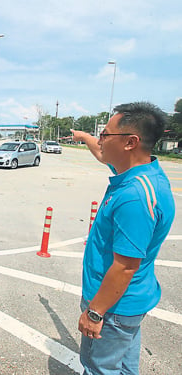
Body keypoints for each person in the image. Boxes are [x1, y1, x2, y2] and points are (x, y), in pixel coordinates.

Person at [71, 102, 175, 375]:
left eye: (105, 135)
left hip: (113, 307)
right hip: (128, 304)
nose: (100, 140)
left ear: (131, 142)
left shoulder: (135, 196)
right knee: (125, 368)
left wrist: (95, 313)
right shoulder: (141, 173)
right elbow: (102, 153)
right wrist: (83, 138)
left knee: (99, 368)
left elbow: (125, 266)